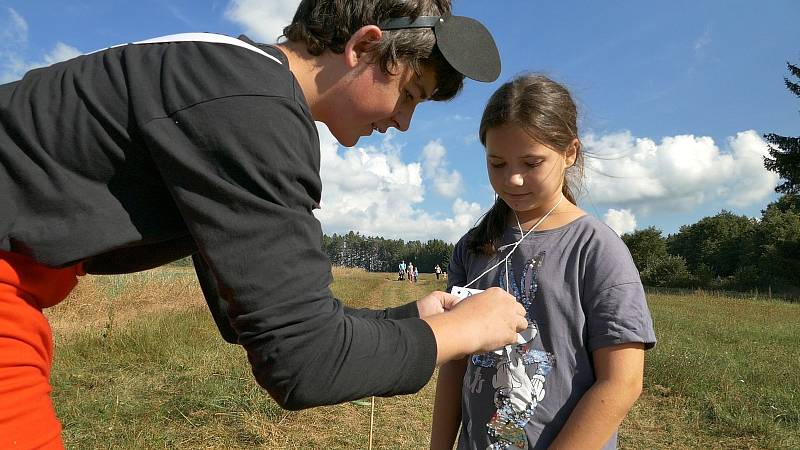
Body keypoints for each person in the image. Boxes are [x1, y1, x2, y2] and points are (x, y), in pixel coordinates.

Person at [0, 1, 531, 448]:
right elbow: (305, 362)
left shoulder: (229, 74)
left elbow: (258, 319)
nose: (403, 121)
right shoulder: (253, 108)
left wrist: (408, 319)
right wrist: (462, 331)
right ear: (364, 47)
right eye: (410, 94)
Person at [429, 74, 657, 450]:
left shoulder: (596, 249)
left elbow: (622, 383)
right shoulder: (472, 247)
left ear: (570, 153)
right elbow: (455, 363)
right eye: (497, 163)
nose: (513, 179)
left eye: (532, 162)